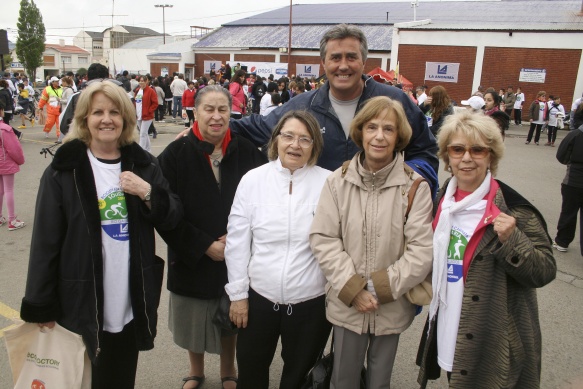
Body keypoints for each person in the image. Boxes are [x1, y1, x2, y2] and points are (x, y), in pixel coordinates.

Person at [19, 81, 183, 389]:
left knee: (120, 379)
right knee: (80, 381)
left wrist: (146, 192)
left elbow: (173, 216)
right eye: (97, 112)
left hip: (129, 300)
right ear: (84, 119)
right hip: (78, 301)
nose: (106, 119)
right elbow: (45, 242)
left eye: (114, 112)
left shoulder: (144, 165)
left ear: (126, 119)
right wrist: (41, 302)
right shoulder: (64, 170)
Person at [416, 111, 557, 388]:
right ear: (447, 157)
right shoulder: (441, 202)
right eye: (457, 149)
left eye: (477, 150)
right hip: (450, 323)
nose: (466, 158)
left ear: (491, 156)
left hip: (494, 339)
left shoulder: (515, 209)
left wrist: (513, 240)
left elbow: (545, 271)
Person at [310, 96, 434, 389]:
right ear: (360, 132)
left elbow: (421, 250)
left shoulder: (415, 187)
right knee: (343, 379)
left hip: (391, 303)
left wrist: (379, 287)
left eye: (388, 129)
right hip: (347, 302)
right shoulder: (337, 182)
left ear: (399, 136)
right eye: (372, 127)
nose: (379, 136)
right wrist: (354, 289)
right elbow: (323, 238)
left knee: (380, 382)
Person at [221, 24, 438, 189]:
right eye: (335, 58)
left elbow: (426, 153)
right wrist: (202, 131)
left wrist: (408, 183)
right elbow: (256, 127)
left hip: (380, 221)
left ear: (363, 61)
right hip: (322, 221)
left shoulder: (395, 102)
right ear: (324, 63)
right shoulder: (304, 106)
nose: (343, 65)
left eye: (351, 57)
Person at [157, 85, 267, 389]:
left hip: (236, 251)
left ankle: (228, 370)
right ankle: (196, 370)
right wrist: (204, 245)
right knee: (194, 319)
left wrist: (235, 242)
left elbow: (262, 199)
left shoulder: (246, 151)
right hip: (191, 253)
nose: (216, 117)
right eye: (209, 109)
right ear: (195, 112)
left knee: (232, 317)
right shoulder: (175, 154)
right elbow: (164, 213)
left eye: (223, 110)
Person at [226, 110, 331, 389]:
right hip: (259, 298)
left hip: (311, 301)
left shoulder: (331, 183)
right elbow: (237, 242)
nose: (295, 145)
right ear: (276, 140)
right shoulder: (253, 180)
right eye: (288, 136)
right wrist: (238, 295)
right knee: (251, 370)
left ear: (315, 146)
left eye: (305, 139)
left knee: (298, 376)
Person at [553, 104, 583, 255]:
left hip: (574, 181)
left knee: (568, 212)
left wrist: (570, 162)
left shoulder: (576, 134)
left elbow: (561, 154)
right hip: (574, 180)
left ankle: (562, 241)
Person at [0, 100, 25, 231]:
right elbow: (14, 149)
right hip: (5, 162)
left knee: (0, 190)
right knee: (8, 190)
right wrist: (20, 160)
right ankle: (12, 220)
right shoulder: (5, 129)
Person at [134, 75, 158, 152]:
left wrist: (149, 111)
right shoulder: (137, 90)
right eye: (140, 81)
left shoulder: (151, 91)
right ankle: (148, 150)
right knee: (144, 133)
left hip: (147, 116)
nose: (141, 82)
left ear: (147, 82)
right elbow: (136, 102)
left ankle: (141, 150)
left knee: (142, 134)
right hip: (138, 115)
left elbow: (155, 103)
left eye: (143, 81)